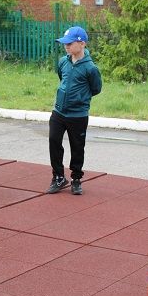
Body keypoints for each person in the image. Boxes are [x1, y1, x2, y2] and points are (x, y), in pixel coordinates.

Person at [46, 26, 102, 196]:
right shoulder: (63, 61)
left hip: (78, 115)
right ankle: (58, 177)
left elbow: (96, 89)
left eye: (70, 43)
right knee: (54, 141)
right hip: (59, 112)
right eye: (64, 44)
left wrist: (80, 99)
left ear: (82, 43)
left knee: (77, 148)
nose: (66, 46)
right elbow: (61, 78)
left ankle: (76, 179)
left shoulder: (91, 68)